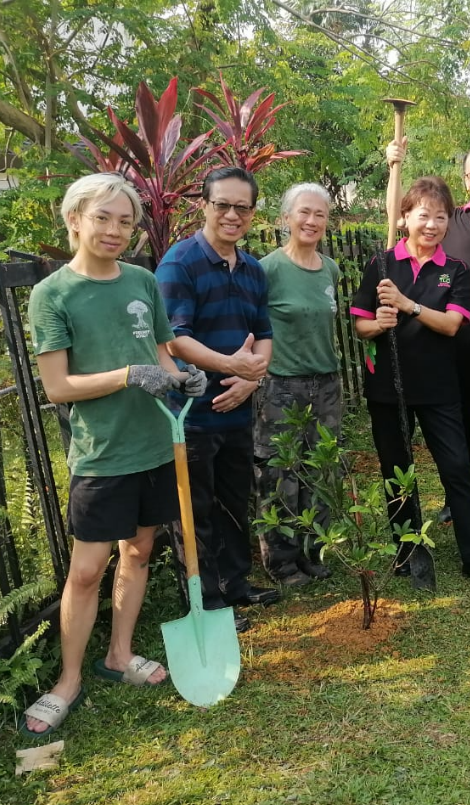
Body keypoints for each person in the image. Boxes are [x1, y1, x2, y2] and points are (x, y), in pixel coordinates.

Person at [23, 173, 206, 736]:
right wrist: (129, 375)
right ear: (75, 219)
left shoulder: (142, 281)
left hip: (155, 442)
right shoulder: (52, 294)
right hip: (102, 453)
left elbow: (158, 352)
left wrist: (183, 378)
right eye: (102, 217)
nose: (114, 230)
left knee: (139, 551)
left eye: (125, 221)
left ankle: (119, 655)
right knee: (84, 572)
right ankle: (68, 680)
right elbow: (57, 387)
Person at [350, 176, 470, 594]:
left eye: (440, 217)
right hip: (388, 390)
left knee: (457, 470)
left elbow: (453, 324)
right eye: (424, 215)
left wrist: (407, 305)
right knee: (398, 473)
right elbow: (360, 322)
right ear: (405, 218)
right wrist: (375, 325)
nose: (432, 225)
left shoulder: (456, 270)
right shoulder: (381, 266)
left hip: (439, 387)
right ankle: (407, 549)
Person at [155, 166, 277, 634]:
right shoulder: (179, 264)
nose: (232, 214)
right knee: (197, 509)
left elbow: (263, 336)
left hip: (238, 409)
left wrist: (250, 380)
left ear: (251, 213)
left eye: (241, 207)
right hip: (193, 416)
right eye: (222, 204)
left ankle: (237, 586)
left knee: (234, 501)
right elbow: (175, 340)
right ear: (204, 206)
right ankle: (206, 601)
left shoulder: (251, 270)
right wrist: (232, 368)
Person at [386, 140, 470, 520]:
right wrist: (394, 168)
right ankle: (456, 494)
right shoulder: (451, 218)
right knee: (456, 415)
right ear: (465, 180)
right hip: (455, 328)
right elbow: (398, 217)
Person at [254, 183, 342, 588]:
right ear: (286, 218)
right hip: (281, 387)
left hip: (326, 383)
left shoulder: (330, 269)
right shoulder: (267, 269)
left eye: (320, 214)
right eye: (303, 212)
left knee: (321, 470)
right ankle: (283, 563)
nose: (311, 221)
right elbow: (252, 328)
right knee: (282, 475)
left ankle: (314, 551)